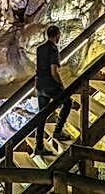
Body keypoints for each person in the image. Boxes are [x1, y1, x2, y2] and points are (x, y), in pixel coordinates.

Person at [33, 25, 73, 156]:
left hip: (39, 85)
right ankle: (58, 130)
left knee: (42, 115)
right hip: (50, 85)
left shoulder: (40, 49)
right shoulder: (53, 49)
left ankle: (38, 146)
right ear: (57, 35)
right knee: (67, 102)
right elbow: (53, 71)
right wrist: (61, 86)